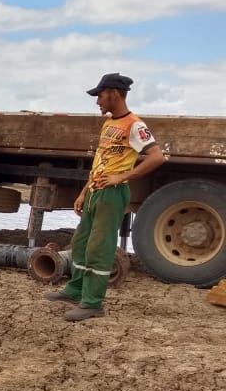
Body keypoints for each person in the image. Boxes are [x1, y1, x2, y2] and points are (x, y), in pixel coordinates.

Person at [44, 72, 166, 322]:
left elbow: (157, 157)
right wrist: (83, 192)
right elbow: (101, 161)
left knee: (99, 247)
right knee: (81, 243)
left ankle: (93, 302)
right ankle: (75, 289)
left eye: (100, 95)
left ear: (115, 94)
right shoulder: (109, 123)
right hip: (94, 191)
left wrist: (122, 177)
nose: (97, 101)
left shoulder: (135, 125)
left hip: (112, 193)